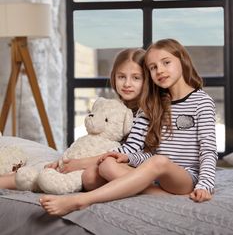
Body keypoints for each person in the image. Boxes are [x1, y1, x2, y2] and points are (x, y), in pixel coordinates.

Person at [40, 38, 218, 216]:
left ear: (183, 60)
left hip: (185, 178)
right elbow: (149, 154)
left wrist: (205, 185)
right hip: (155, 177)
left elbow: (208, 151)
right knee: (104, 168)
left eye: (166, 62)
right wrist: (127, 158)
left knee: (159, 161)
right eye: (153, 67)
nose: (160, 70)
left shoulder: (201, 102)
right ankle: (152, 191)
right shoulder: (153, 104)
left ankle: (81, 201)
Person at [0, 48, 149, 191]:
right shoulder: (113, 107)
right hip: (100, 159)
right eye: (121, 77)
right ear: (114, 76)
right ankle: (14, 180)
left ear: (147, 80)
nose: (127, 83)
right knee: (49, 168)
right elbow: (93, 141)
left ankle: (32, 181)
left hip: (124, 165)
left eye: (136, 78)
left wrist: (81, 163)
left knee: (88, 176)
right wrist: (66, 160)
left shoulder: (144, 113)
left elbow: (128, 151)